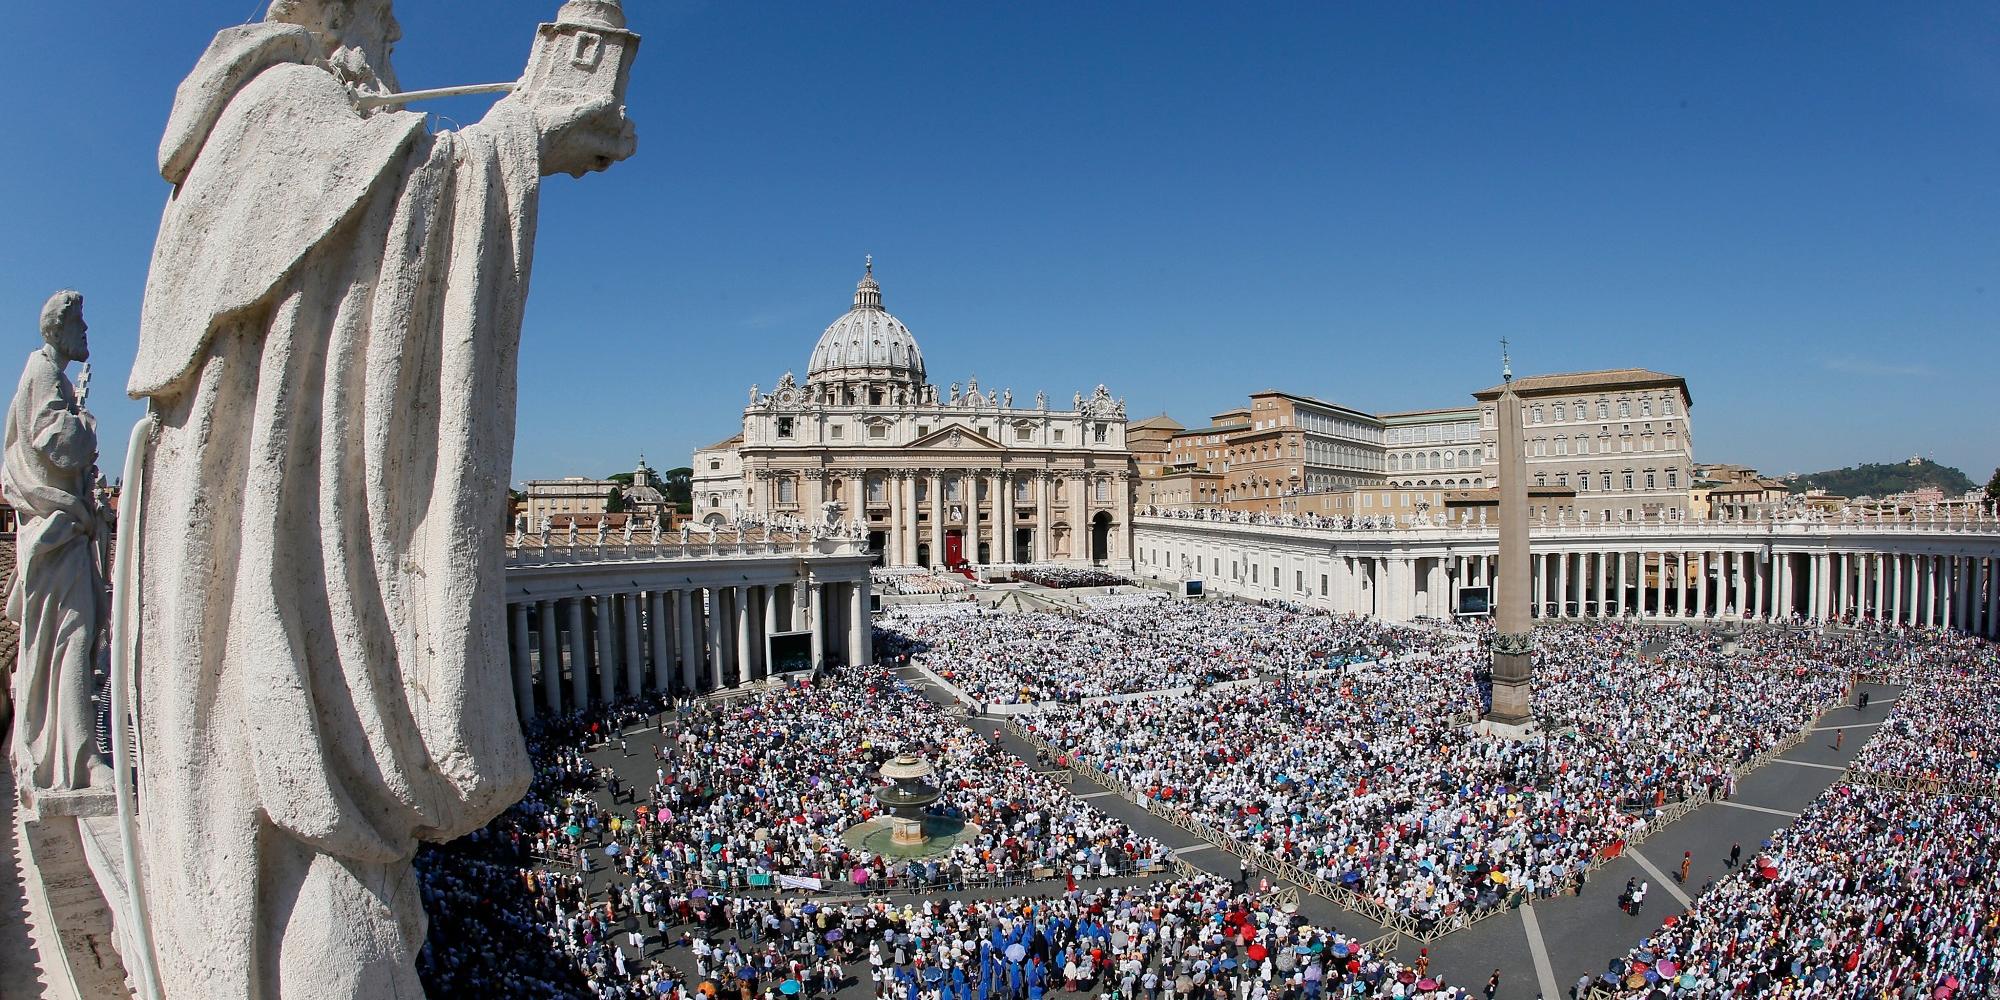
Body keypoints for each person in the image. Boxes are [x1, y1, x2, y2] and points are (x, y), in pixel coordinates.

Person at [125, 1, 637, 996]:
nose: (396, 56)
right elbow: (389, 239)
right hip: (267, 576)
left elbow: (371, 234)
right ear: (343, 17)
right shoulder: (287, 101)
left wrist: (515, 136)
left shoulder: (264, 121)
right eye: (390, 32)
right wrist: (522, 129)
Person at [4, 290, 110, 794]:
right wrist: (89, 424)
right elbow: (56, 439)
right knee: (73, 636)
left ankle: (64, 752)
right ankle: (79, 761)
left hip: (61, 533)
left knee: (69, 638)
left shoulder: (48, 375)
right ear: (60, 329)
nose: (86, 334)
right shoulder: (45, 374)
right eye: (82, 325)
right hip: (57, 533)